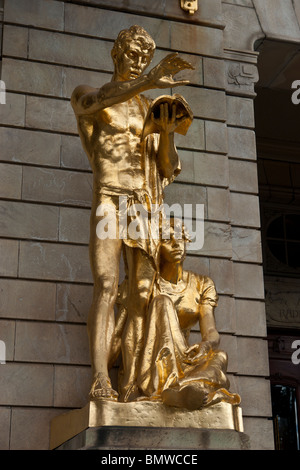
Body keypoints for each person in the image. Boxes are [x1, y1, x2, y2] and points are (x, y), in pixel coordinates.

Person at [71, 25, 194, 401]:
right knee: (107, 285)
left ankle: (137, 381)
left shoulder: (148, 109)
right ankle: (100, 380)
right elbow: (94, 103)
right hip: (109, 197)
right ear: (117, 54)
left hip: (141, 202)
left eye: (145, 58)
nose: (139, 63)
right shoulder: (88, 94)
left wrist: (168, 131)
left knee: (142, 291)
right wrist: (153, 80)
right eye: (132, 55)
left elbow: (167, 168)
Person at [113, 218, 240, 409]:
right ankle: (173, 388)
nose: (176, 244)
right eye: (167, 239)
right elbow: (122, 333)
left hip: (185, 357)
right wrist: (104, 373)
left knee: (220, 355)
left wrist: (205, 346)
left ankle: (183, 388)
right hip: (152, 363)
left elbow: (211, 331)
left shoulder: (202, 284)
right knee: (162, 302)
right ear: (156, 247)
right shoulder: (146, 285)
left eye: (180, 238)